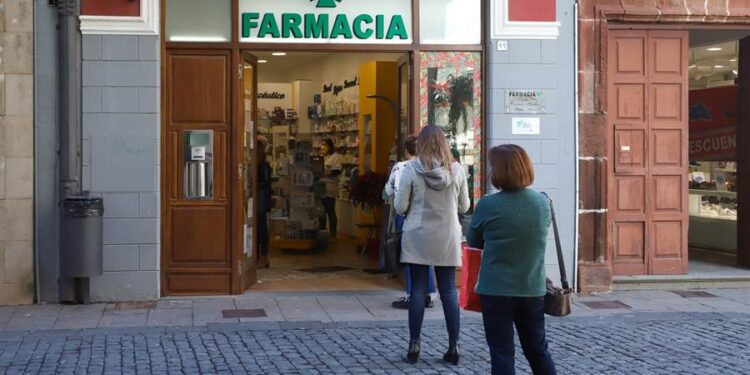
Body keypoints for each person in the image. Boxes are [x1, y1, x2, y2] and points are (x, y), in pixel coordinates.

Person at [467, 144, 557, 375]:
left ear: (498, 171)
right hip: (531, 287)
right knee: (537, 350)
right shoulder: (542, 203)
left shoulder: (487, 205)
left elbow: (474, 244)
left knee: (502, 353)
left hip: (495, 289)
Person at [394, 125, 470, 365]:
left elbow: (400, 206)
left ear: (421, 145)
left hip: (417, 234)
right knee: (448, 290)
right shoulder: (457, 171)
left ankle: (414, 345)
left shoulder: (411, 170)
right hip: (446, 235)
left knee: (417, 290)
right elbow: (464, 207)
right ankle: (454, 346)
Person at [383, 135, 437, 310]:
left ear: (406, 151)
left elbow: (388, 190)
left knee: (407, 255)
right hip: (427, 214)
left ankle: (412, 294)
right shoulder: (430, 167)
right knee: (425, 254)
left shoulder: (400, 167)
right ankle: (430, 293)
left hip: (405, 214)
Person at [319, 138, 342, 238]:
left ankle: (333, 235)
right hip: (321, 188)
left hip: (330, 188)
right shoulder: (324, 157)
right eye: (322, 145)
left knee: (330, 211)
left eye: (325, 145)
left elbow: (336, 171)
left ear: (330, 146)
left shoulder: (335, 157)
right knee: (321, 212)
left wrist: (324, 173)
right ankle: (322, 233)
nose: (322, 147)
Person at [257, 136, 273, 268]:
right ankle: (259, 255)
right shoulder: (260, 162)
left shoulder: (262, 164)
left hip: (260, 198)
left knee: (261, 225)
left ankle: (263, 256)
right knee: (258, 225)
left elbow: (265, 182)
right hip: (259, 198)